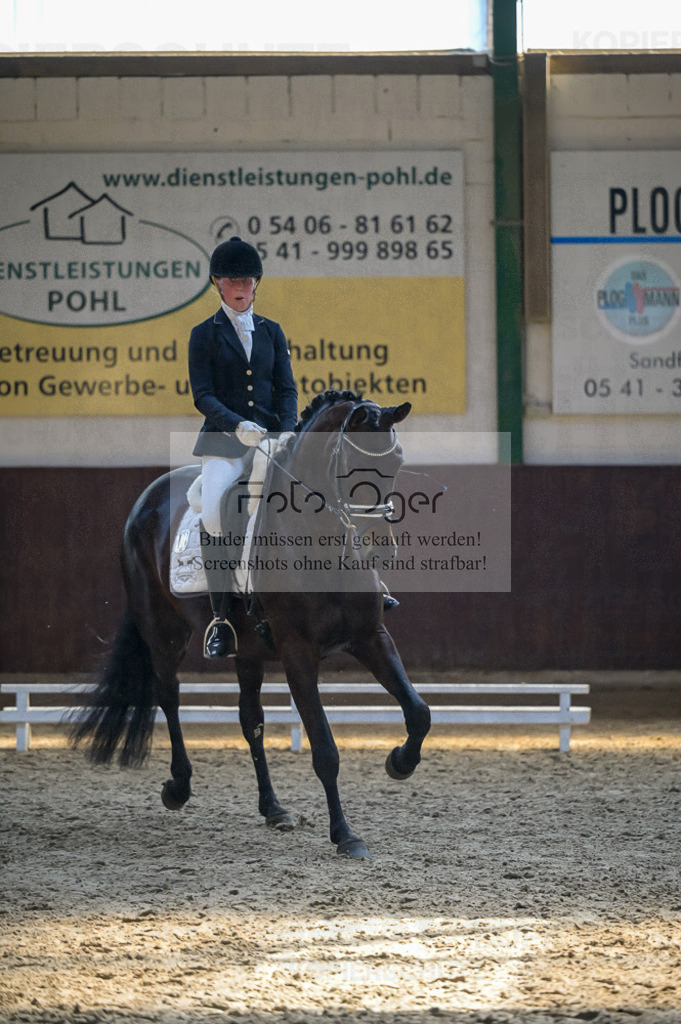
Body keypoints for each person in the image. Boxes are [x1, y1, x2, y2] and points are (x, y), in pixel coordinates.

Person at [189, 236, 298, 658]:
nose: (240, 285)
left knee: (314, 496)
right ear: (217, 283)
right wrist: (237, 425)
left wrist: (287, 429)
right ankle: (221, 618)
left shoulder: (272, 331)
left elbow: (287, 388)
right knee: (216, 510)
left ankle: (362, 587)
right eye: (232, 279)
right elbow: (203, 395)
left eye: (247, 279)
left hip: (273, 440)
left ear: (256, 284)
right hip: (224, 442)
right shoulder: (204, 334)